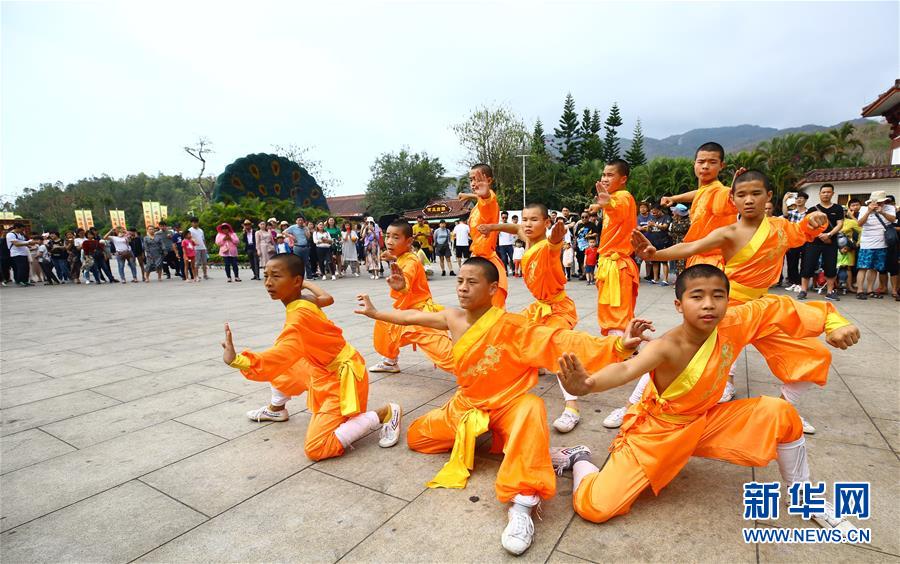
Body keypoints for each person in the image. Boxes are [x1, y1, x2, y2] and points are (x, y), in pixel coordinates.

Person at [354, 257, 652, 555]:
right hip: (467, 406)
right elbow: (410, 317)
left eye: (472, 282)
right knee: (418, 437)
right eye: (460, 281)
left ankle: (522, 505)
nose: (462, 288)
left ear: (493, 288)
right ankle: (549, 455)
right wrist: (374, 312)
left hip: (509, 405)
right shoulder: (452, 318)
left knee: (532, 407)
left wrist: (617, 346)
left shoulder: (512, 326)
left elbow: (558, 340)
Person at [553, 265, 860, 533]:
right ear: (679, 304)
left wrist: (833, 322)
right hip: (659, 433)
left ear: (728, 300)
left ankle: (804, 496)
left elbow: (778, 307)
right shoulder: (665, 346)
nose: (709, 304)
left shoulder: (736, 321)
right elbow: (626, 368)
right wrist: (588, 385)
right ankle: (580, 459)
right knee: (595, 507)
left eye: (718, 296)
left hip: (705, 421)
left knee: (780, 413)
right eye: (697, 296)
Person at [632, 170, 834, 432]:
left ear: (768, 196)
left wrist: (814, 219)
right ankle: (633, 405)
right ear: (734, 199)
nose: (749, 200)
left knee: (815, 355)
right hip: (729, 309)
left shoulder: (780, 228)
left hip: (764, 310)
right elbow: (690, 246)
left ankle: (783, 410)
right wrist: (655, 254)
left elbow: (801, 231)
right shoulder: (727, 233)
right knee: (683, 356)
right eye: (742, 195)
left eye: (755, 193)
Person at [222, 253, 403, 461]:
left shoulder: (298, 319)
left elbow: (278, 356)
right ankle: (276, 409)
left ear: (295, 280)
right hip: (322, 365)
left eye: (276, 276)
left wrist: (237, 360)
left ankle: (385, 413)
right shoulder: (305, 300)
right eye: (266, 276)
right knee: (286, 370)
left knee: (317, 448)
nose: (268, 283)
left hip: (342, 377)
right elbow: (327, 298)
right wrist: (304, 284)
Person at [368, 220, 454, 374]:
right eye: (388, 236)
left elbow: (406, 276)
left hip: (421, 315)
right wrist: (393, 258)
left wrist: (402, 286)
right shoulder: (402, 257)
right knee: (385, 323)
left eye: (396, 237)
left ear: (409, 242)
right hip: (408, 312)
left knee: (447, 356)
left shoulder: (410, 261)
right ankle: (390, 361)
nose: (389, 241)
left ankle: (476, 371)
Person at [660, 142, 738, 269]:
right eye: (701, 162)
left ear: (721, 166)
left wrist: (736, 192)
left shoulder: (722, 192)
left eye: (712, 162)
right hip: (697, 258)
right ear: (694, 164)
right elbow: (699, 193)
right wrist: (674, 198)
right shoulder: (706, 189)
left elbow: (728, 199)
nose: (705, 166)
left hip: (714, 264)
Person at [458, 164, 507, 307]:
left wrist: (485, 195)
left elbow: (487, 201)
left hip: (487, 262)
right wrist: (471, 195)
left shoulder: (489, 202)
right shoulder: (477, 206)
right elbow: (481, 199)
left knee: (491, 310)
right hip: (478, 259)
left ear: (489, 181)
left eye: (477, 179)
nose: (473, 183)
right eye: (471, 179)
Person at [798, 184, 844, 301]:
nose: (826, 194)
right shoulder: (813, 209)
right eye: (823, 192)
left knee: (830, 267)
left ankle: (829, 291)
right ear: (819, 194)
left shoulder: (838, 208)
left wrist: (829, 234)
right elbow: (807, 226)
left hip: (830, 243)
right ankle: (803, 290)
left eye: (828, 192)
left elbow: (840, 224)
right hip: (813, 242)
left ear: (833, 193)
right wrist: (819, 235)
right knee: (807, 266)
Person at [855, 191, 897, 299]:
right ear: (872, 201)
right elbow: (859, 224)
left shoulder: (889, 208)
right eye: (877, 202)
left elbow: (893, 220)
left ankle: (870, 290)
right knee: (863, 267)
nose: (879, 204)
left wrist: (882, 212)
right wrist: (869, 211)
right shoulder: (864, 209)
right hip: (867, 243)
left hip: (882, 242)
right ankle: (860, 290)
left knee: (874, 268)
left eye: (881, 202)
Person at [783, 191, 809, 291]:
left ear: (805, 200)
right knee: (792, 263)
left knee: (804, 263)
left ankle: (802, 284)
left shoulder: (808, 212)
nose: (799, 200)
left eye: (801, 198)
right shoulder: (792, 213)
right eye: (797, 198)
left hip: (805, 240)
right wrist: (784, 200)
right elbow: (785, 213)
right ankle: (794, 282)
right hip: (793, 241)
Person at [646, 204, 671, 285]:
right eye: (653, 213)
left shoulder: (666, 217)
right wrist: (649, 226)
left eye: (655, 212)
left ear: (660, 211)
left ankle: (665, 280)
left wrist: (655, 225)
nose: (654, 214)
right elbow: (648, 230)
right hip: (653, 241)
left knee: (664, 261)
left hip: (663, 241)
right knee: (655, 261)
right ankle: (655, 278)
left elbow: (665, 227)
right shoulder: (652, 217)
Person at [667, 203, 691, 276]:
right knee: (677, 263)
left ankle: (683, 280)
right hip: (675, 244)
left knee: (682, 263)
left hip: (684, 245)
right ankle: (678, 279)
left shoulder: (688, 222)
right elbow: (670, 232)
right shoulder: (675, 221)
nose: (672, 212)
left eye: (674, 211)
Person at [635, 202, 653, 281]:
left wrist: (644, 227)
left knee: (648, 260)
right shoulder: (638, 217)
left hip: (650, 240)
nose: (642, 209)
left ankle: (648, 275)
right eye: (641, 207)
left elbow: (652, 226)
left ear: (647, 208)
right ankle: (637, 276)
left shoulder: (651, 216)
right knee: (638, 260)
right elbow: (638, 228)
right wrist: (647, 227)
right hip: (640, 241)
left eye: (644, 207)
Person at [497, 211, 515, 275]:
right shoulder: (499, 225)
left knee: (512, 258)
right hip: (502, 245)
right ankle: (505, 271)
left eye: (505, 217)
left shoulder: (510, 225)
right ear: (501, 217)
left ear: (507, 217)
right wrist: (500, 228)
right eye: (503, 217)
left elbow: (513, 233)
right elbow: (496, 234)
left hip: (509, 244)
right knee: (503, 259)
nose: (504, 219)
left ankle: (513, 270)